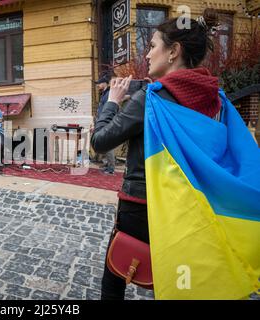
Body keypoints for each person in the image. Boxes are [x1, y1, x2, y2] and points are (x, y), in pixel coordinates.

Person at [92, 11, 222, 300]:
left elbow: (100, 141)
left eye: (152, 46)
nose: (147, 55)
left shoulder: (151, 100)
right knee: (173, 280)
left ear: (173, 51)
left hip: (141, 205)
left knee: (114, 277)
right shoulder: (215, 100)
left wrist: (111, 102)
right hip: (189, 207)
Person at [94, 74, 116, 174]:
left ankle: (111, 168)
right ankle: (107, 165)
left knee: (108, 145)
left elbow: (108, 109)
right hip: (102, 121)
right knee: (105, 144)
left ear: (105, 83)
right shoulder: (104, 93)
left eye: (99, 83)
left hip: (107, 121)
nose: (97, 85)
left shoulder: (109, 94)